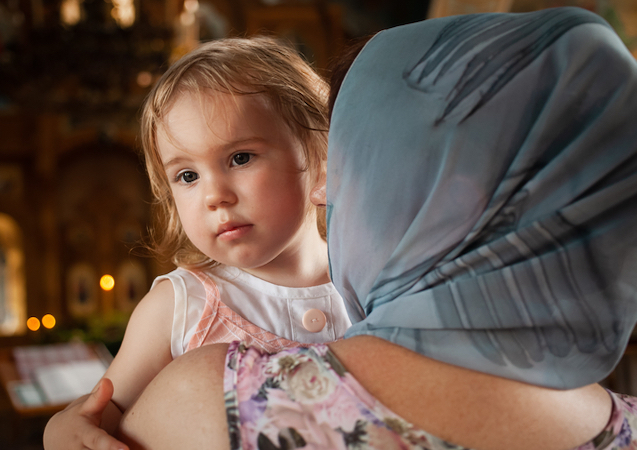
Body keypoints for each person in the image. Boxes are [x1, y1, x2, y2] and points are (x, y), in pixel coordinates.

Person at [114, 7, 637, 450]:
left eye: (357, 158)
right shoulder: (624, 426)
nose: (329, 190)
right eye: (185, 174)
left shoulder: (211, 399)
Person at [43, 37, 352, 450]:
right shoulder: (181, 306)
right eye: (187, 176)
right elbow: (103, 410)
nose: (214, 195)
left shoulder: (373, 277)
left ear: (320, 157)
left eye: (240, 158)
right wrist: (62, 430)